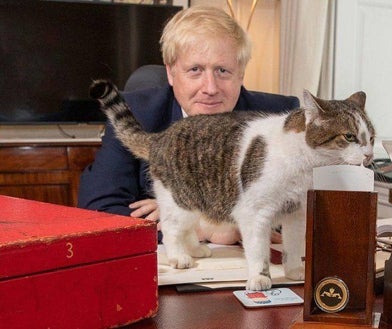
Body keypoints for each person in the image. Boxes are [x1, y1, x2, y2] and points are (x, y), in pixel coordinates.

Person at [78, 6, 299, 244]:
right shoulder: (136, 112)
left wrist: (203, 220)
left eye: (223, 71)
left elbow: (300, 213)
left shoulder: (279, 117)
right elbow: (99, 211)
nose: (210, 88)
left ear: (241, 73)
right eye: (195, 70)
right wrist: (200, 229)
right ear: (171, 73)